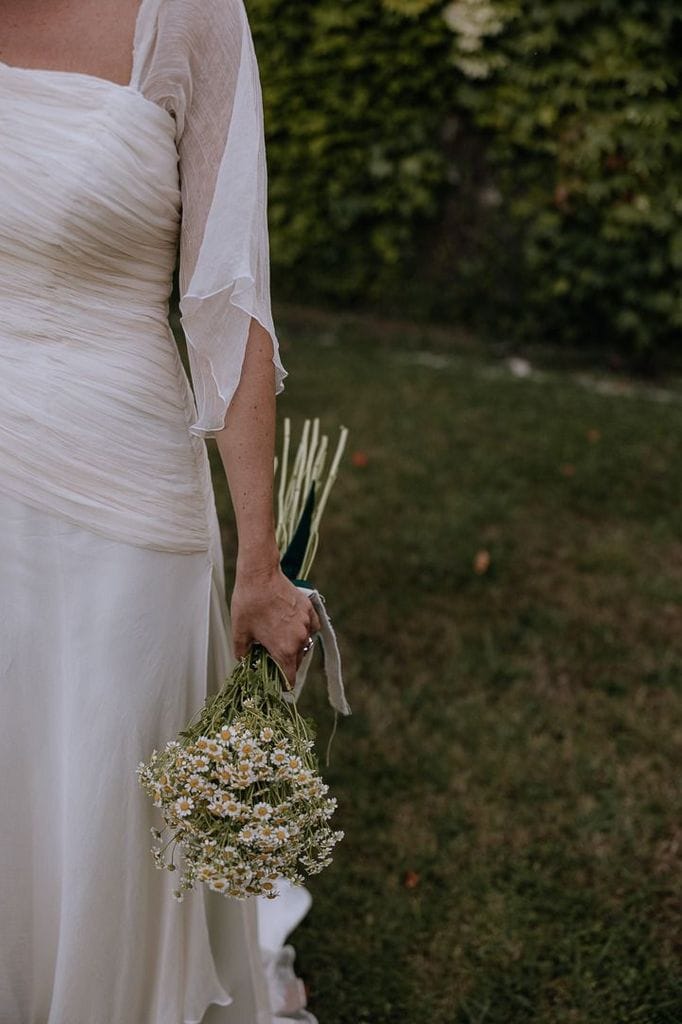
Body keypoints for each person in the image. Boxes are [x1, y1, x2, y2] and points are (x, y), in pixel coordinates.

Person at [0, 0, 321, 1020]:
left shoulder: (191, 18)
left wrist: (261, 565)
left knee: (98, 793)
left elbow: (231, 304)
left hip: (122, 498)